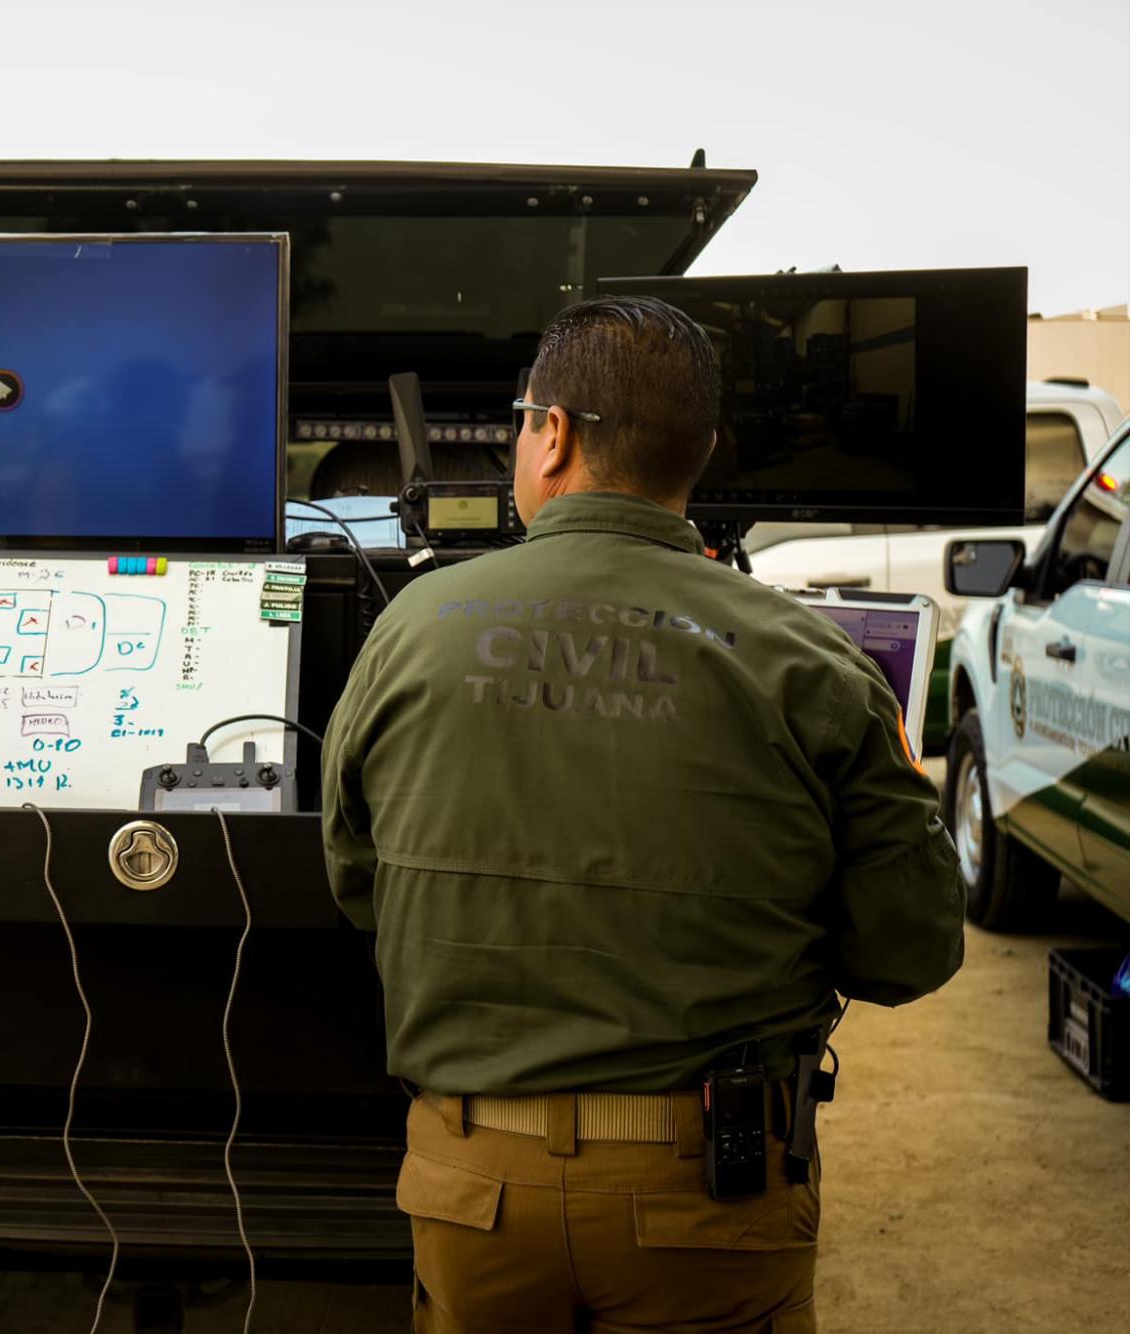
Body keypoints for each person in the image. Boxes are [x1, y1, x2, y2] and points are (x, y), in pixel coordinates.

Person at [320, 296, 964, 1333]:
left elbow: (358, 883)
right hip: (708, 1190)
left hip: (471, 1186)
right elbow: (909, 951)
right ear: (701, 450)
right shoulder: (813, 661)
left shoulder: (409, 629)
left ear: (553, 434)